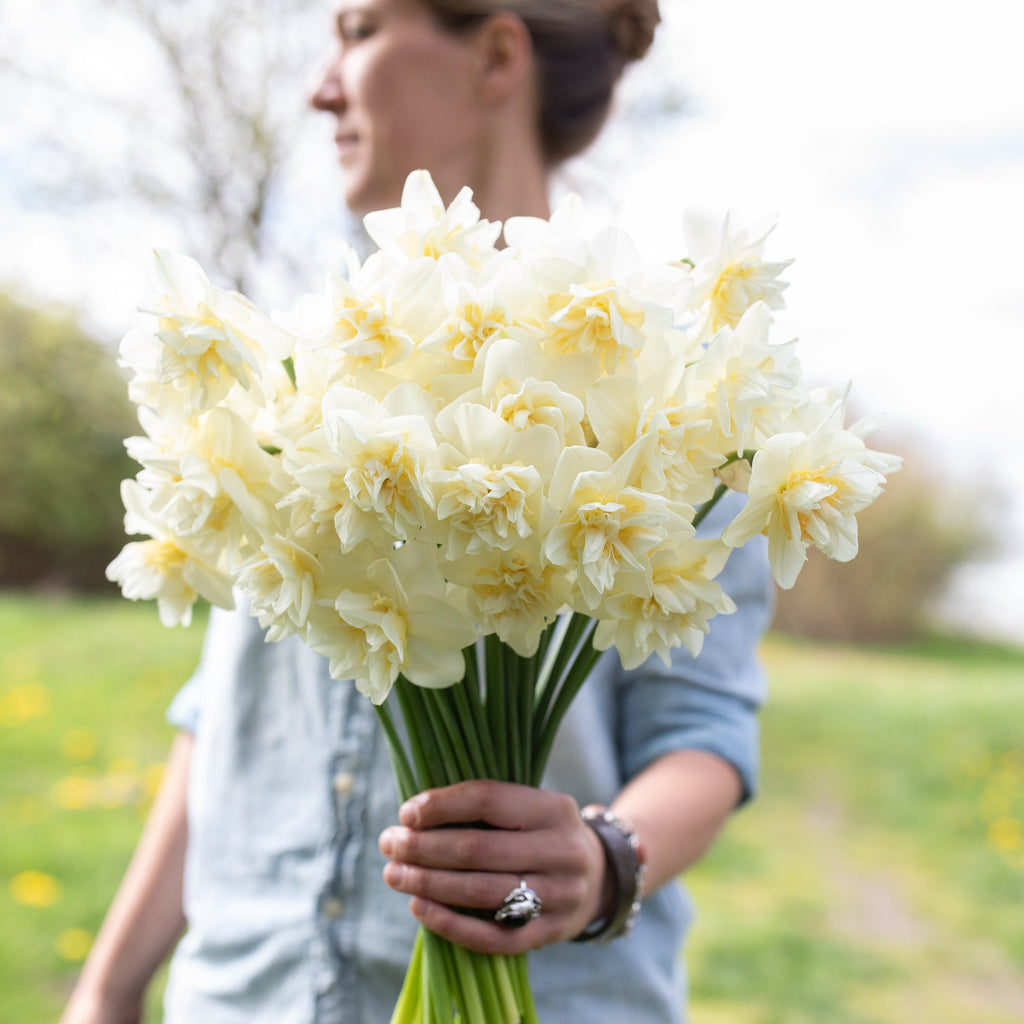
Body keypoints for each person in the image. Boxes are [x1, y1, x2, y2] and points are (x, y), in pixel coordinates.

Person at [60, 2, 773, 1021]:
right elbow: (225, 720)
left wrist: (591, 864)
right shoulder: (294, 370)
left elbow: (702, 735)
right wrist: (106, 988)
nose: (319, 85)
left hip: (548, 989)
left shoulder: (672, 399)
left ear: (492, 54)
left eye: (358, 30)